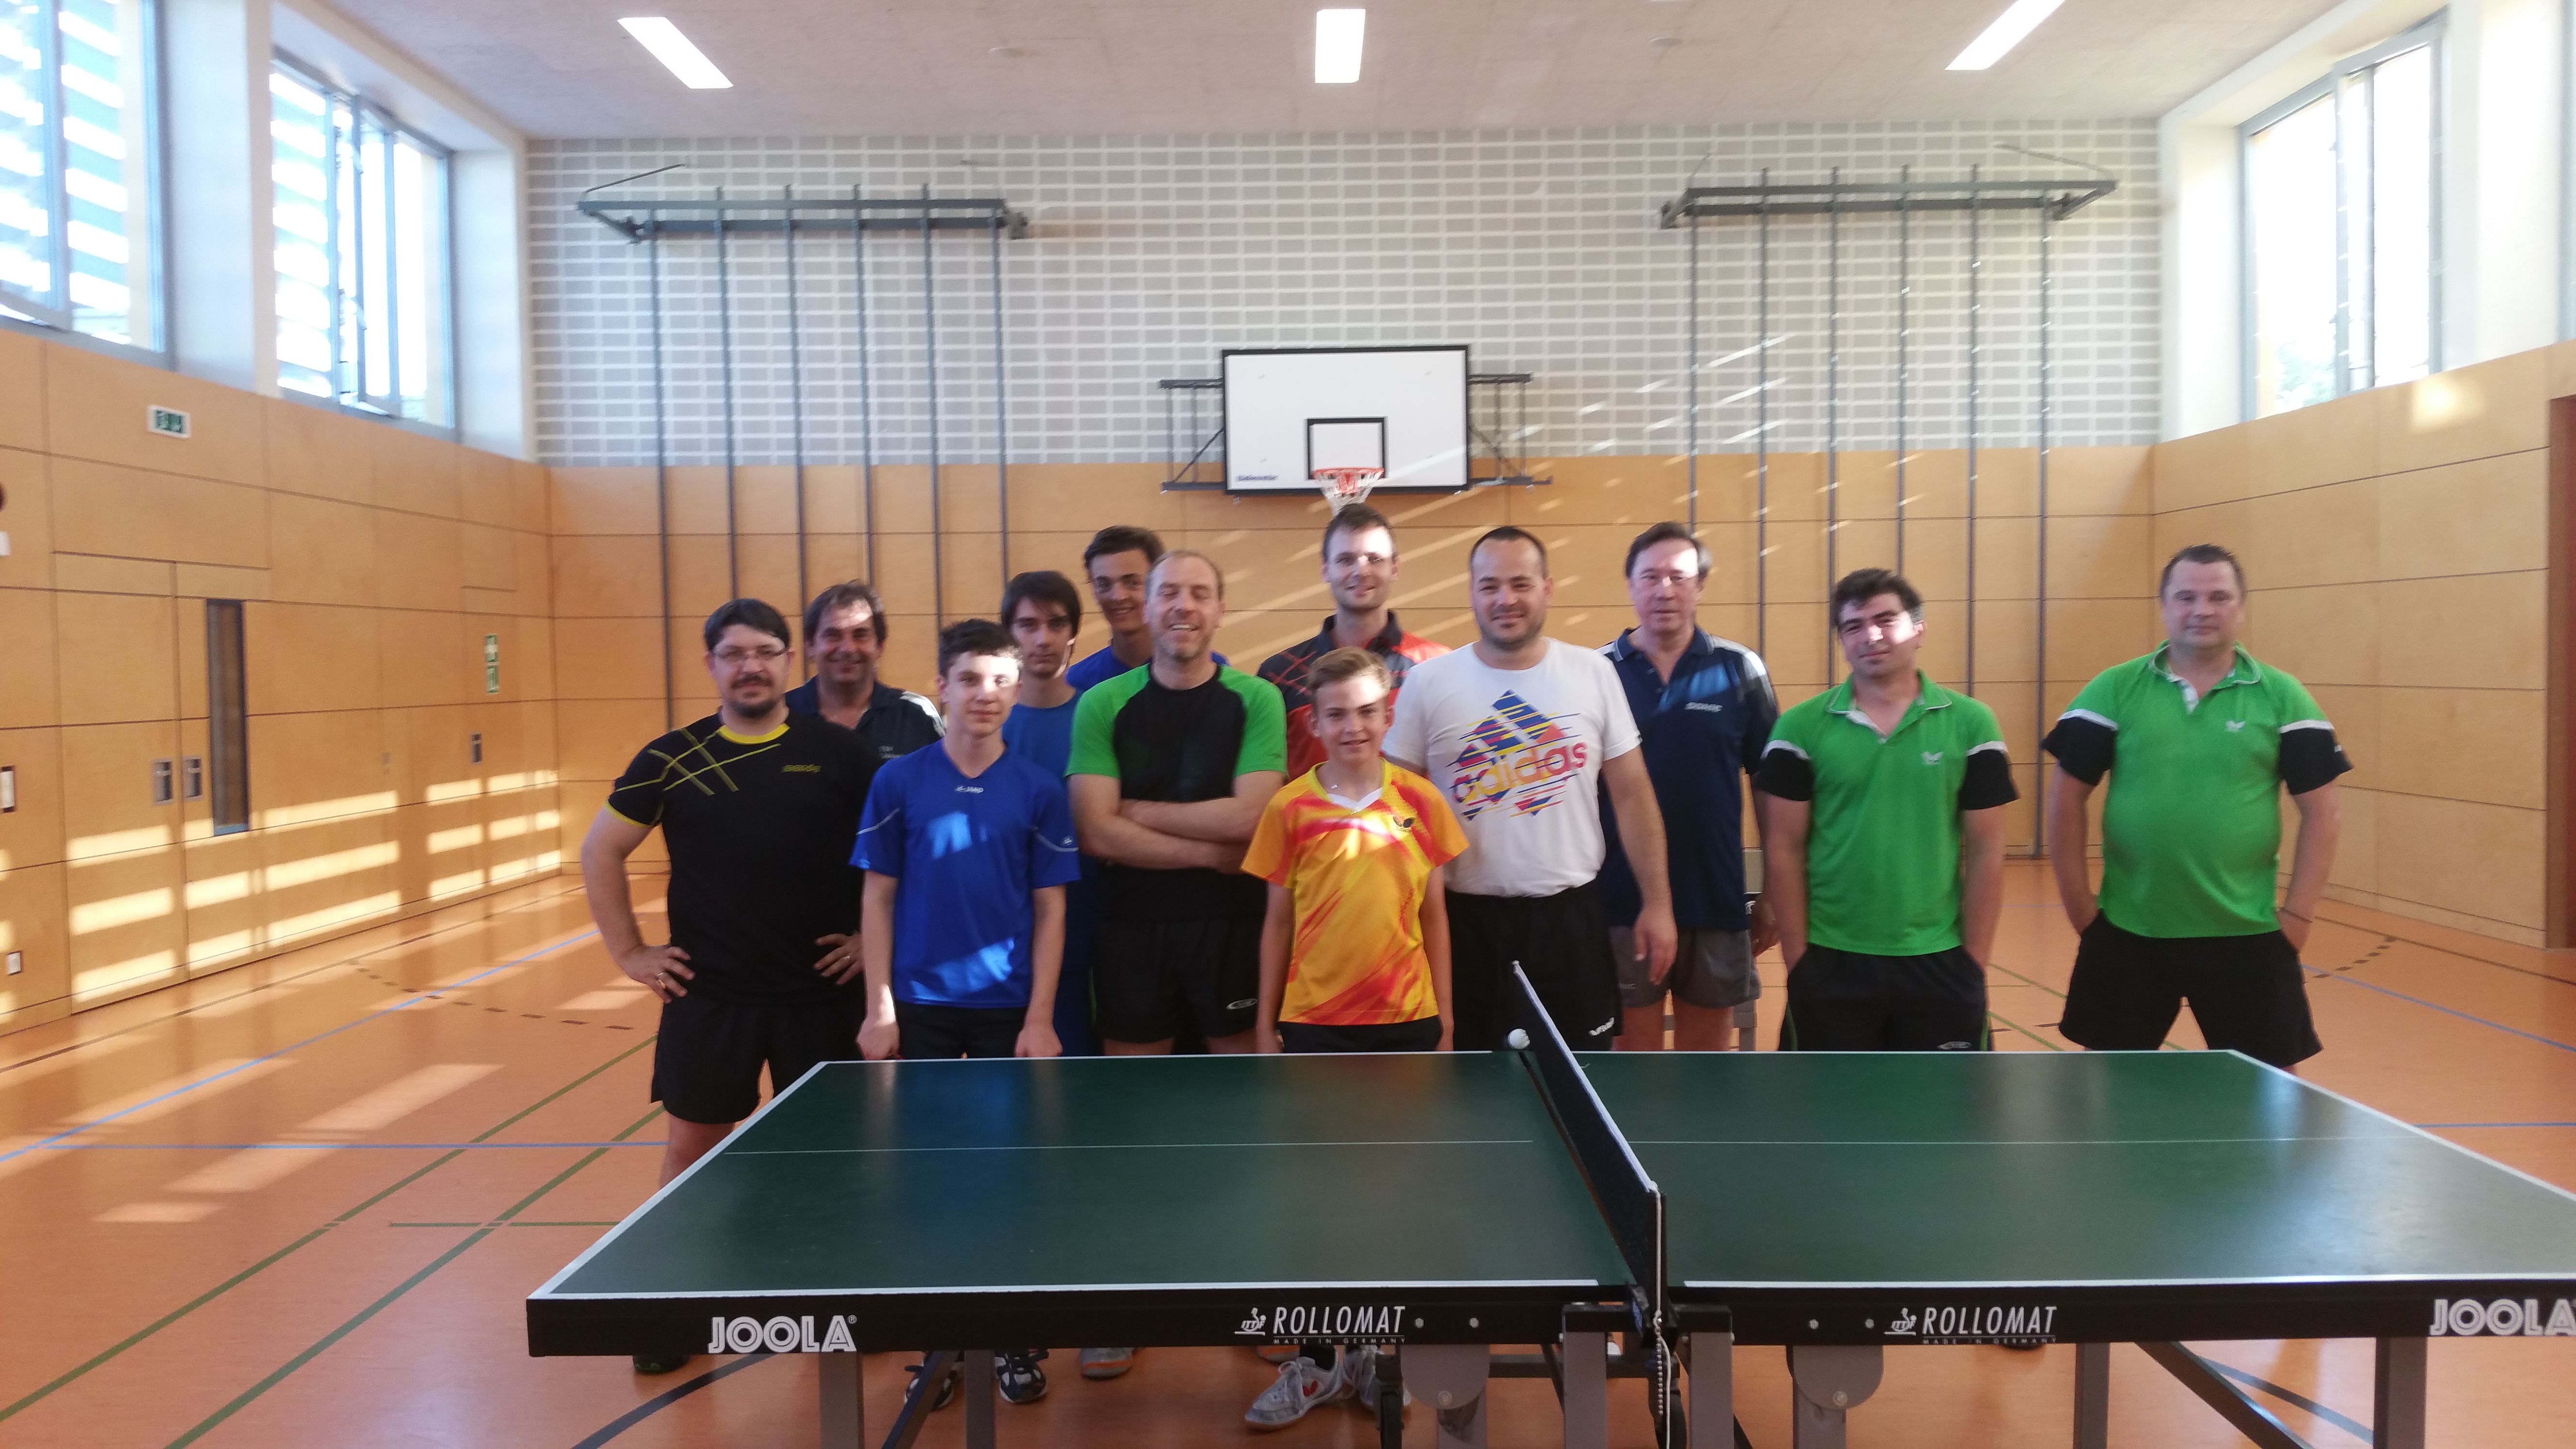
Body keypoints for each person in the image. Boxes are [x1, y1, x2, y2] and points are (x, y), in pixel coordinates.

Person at [578, 598, 877, 1375]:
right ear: (711, 664)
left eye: (766, 652)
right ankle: (673, 1304)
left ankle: (835, 1300)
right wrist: (630, 952)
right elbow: (601, 851)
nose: (751, 666)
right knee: (693, 1151)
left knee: (829, 1158)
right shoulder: (671, 758)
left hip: (821, 995)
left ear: (788, 662)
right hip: (712, 1000)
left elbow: (893, 856)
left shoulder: (841, 754)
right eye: (735, 654)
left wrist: (869, 940)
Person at [849, 617, 1077, 1408]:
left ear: (1016, 692)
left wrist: (1040, 1016)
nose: (986, 694)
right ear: (941, 685)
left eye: (1001, 681)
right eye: (971, 679)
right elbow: (876, 900)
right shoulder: (898, 782)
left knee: (1009, 1179)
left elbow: (1051, 911)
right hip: (921, 1010)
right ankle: (937, 1344)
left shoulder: (1039, 789)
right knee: (928, 1178)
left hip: (1007, 1009)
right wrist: (880, 1006)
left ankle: (1012, 1337)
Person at [1237, 646, 1461, 1428]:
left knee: (1388, 1196)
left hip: (1406, 1025)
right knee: (1317, 1198)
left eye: (1367, 710)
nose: (1354, 725)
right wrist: (1265, 1025)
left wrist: (1447, 1021)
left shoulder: (1421, 802)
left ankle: (1368, 1356)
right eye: (1337, 714)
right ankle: (1316, 1361)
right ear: (1316, 721)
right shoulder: (1289, 808)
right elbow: (1276, 923)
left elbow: (1436, 915)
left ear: (1388, 713)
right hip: (1314, 1028)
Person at [2043, 544, 2348, 1070]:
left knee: (2271, 1091)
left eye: (2217, 597)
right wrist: (2080, 908)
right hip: (2129, 932)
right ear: (2164, 606)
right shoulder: (2112, 690)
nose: (2201, 610)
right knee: (2103, 1087)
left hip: (2247, 935)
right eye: (2186, 597)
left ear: (2240, 607)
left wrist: (2297, 916)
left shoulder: (2283, 697)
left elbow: (2323, 813)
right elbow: (2065, 799)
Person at [1385, 526, 1677, 1050]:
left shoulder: (1592, 673)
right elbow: (1390, 808)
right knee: (1468, 1082)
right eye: (1490, 586)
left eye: (1520, 584)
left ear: (1547, 588)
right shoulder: (1429, 684)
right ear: (1472, 592)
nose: (1506, 600)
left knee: (1581, 1076)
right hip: (1464, 924)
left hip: (1570, 921)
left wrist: (1657, 903)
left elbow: (1633, 794)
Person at [1754, 568, 2015, 1051]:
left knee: (1947, 1101)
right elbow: (1783, 848)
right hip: (1830, 960)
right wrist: (1799, 961)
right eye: (1853, 626)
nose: (1870, 636)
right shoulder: (1798, 730)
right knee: (1825, 1100)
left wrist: (1973, 961)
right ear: (1841, 641)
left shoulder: (1972, 725)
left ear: (1918, 630)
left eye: (1885, 620)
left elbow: (1986, 849)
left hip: (1940, 961)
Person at [1066, 549, 1286, 1056]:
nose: (1183, 606)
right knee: (1136, 1093)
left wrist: (1134, 811)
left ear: (1219, 611)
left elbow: (1250, 817)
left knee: (1240, 1088)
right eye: (1168, 593)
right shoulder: (1101, 702)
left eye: (1199, 594)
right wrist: (1212, 854)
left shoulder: (1258, 699)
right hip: (1130, 929)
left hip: (1234, 925)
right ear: (1147, 608)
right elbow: (1095, 832)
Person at [1599, 522, 1778, 1051]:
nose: (1664, 590)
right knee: (1633, 1066)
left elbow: (1769, 787)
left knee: (1706, 1068)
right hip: (1620, 903)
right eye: (1650, 577)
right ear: (1630, 585)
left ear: (1699, 586)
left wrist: (1772, 890)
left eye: (1679, 577)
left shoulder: (1739, 669)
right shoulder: (1595, 672)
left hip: (1714, 897)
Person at [1256, 502, 1448, 779]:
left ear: (1394, 568)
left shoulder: (1437, 667)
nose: (1361, 571)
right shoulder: (1278, 675)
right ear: (1326, 570)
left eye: (1375, 559)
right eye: (1346, 560)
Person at [998, 570, 1100, 1056]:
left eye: (1056, 624)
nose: (1043, 639)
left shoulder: (1097, 718)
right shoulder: (986, 726)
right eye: (1028, 625)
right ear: (1008, 635)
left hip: (1086, 925)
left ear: (1073, 635)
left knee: (1078, 1071)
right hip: (1002, 935)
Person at [786, 580, 944, 764]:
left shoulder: (916, 715)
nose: (847, 649)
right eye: (833, 636)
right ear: (811, 646)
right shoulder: (781, 714)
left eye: (860, 635)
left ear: (880, 646)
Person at [1064, 525, 1225, 690]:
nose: (1118, 596)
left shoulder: (1215, 674)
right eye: (1104, 585)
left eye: (1132, 583)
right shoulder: (1077, 683)